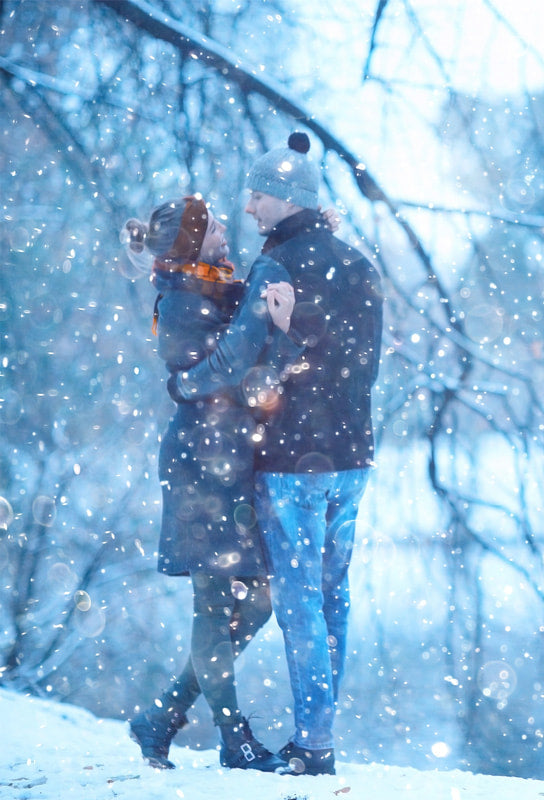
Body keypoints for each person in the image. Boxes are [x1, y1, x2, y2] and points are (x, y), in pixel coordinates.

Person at [169, 132, 383, 776]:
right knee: (333, 595)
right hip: (354, 455)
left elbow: (238, 354)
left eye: (258, 196)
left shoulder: (276, 269)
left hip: (293, 460)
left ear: (285, 199)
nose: (251, 208)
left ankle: (315, 749)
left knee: (299, 603)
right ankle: (318, 735)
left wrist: (187, 383)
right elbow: (364, 366)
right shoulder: (359, 264)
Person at [123, 194, 296, 773]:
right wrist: (264, 288)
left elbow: (245, 365)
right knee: (214, 603)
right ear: (191, 242)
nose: (224, 227)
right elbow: (221, 366)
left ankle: (163, 716)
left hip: (233, 462)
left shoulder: (218, 287)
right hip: (200, 466)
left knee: (262, 601)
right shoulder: (177, 302)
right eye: (212, 224)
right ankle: (233, 737)